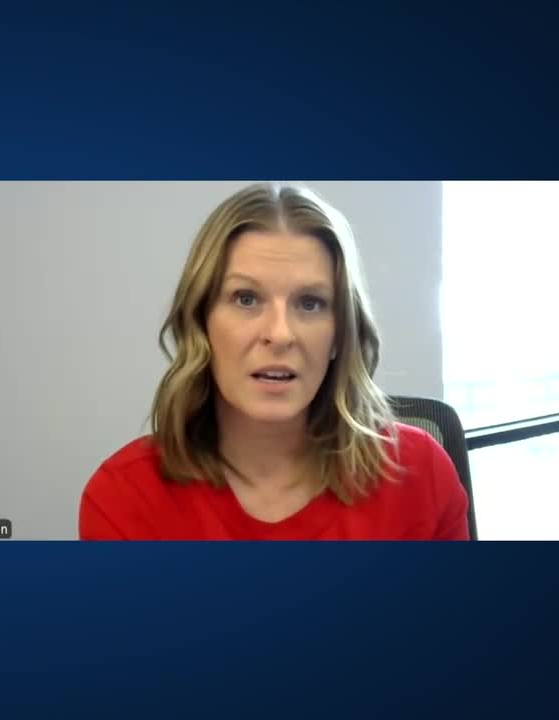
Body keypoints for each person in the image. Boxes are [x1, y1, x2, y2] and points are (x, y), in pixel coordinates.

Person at [79, 184, 469, 540]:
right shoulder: (125, 497)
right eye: (246, 298)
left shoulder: (422, 475)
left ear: (340, 334)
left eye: (310, 303)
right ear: (200, 323)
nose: (280, 334)